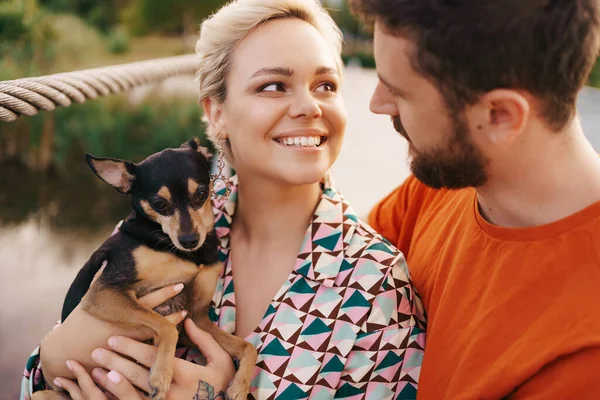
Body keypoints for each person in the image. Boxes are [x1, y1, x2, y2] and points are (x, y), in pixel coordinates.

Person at [22, 0, 426, 399]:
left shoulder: (374, 286)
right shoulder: (158, 229)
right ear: (216, 113)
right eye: (273, 85)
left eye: (326, 85)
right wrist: (54, 358)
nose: (308, 106)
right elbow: (40, 382)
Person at [348, 0, 600, 398]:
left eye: (399, 92)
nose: (377, 104)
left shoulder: (585, 358)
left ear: (498, 115)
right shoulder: (439, 185)